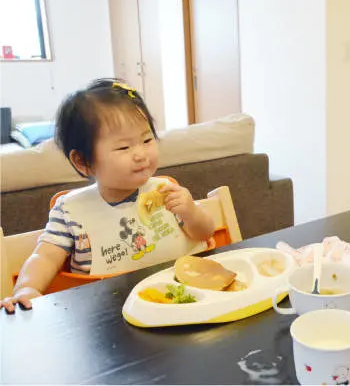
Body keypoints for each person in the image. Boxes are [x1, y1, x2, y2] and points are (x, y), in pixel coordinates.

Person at [1, 79, 215, 313]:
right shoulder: (70, 212)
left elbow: (204, 233)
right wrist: (27, 288)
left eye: (147, 140)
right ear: (83, 162)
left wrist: (191, 213)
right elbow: (45, 257)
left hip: (181, 303)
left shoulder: (165, 190)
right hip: (107, 315)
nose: (141, 154)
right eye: (124, 147)